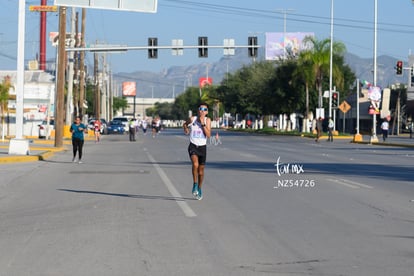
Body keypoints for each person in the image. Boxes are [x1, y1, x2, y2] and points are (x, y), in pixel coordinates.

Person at [183, 103, 211, 200]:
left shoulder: (208, 120)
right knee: (195, 164)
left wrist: (202, 123)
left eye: (204, 109)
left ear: (207, 112)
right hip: (193, 145)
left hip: (202, 147)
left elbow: (208, 135)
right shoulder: (192, 119)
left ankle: (199, 188)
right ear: (198, 110)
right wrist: (186, 129)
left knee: (201, 171)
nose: (202, 110)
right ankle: (195, 184)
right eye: (201, 108)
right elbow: (185, 124)